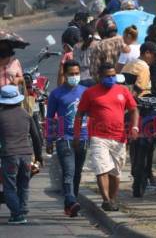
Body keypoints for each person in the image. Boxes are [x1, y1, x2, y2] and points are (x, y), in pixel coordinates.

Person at [74, 63, 139, 211]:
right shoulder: (90, 93)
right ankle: (106, 200)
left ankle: (112, 199)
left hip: (119, 137)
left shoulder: (123, 91)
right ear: (100, 76)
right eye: (108, 76)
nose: (111, 78)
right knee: (101, 168)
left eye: (113, 75)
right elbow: (79, 115)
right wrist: (77, 135)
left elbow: (134, 109)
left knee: (115, 172)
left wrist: (135, 127)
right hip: (98, 136)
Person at [46, 60, 88, 217]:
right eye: (71, 74)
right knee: (69, 171)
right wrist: (49, 140)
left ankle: (71, 204)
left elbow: (91, 115)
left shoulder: (85, 91)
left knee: (77, 173)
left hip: (83, 137)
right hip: (64, 137)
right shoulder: (56, 94)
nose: (75, 76)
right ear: (64, 74)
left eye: (77, 73)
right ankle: (70, 199)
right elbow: (50, 118)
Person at [0, 85, 43, 224]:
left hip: (9, 156)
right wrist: (38, 157)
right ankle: (22, 210)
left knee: (9, 186)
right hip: (26, 154)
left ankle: (17, 214)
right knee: (24, 184)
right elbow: (36, 137)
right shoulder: (26, 114)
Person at [90, 15, 124, 81]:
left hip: (107, 83)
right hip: (125, 82)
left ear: (101, 31)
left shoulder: (99, 46)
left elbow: (94, 71)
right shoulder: (126, 41)